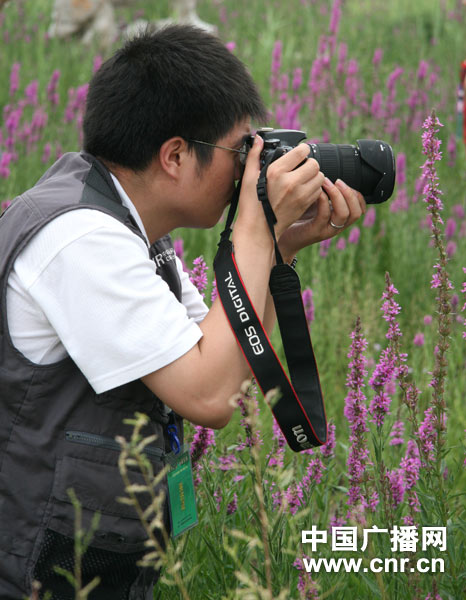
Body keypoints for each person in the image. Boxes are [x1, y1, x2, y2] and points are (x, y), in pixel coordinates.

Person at [0, 25, 365, 599]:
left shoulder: (131, 231)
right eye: (241, 152)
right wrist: (255, 230)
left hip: (86, 557)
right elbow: (209, 396)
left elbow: (225, 357)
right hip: (36, 575)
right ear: (174, 155)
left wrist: (277, 246)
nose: (249, 171)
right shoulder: (80, 239)